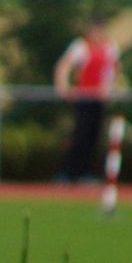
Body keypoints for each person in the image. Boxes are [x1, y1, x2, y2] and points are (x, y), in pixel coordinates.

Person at [52, 15, 120, 183]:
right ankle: (68, 172)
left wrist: (108, 88)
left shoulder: (109, 47)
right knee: (80, 135)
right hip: (83, 97)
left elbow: (113, 71)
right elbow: (64, 66)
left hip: (98, 98)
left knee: (94, 137)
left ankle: (85, 172)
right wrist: (64, 87)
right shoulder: (81, 46)